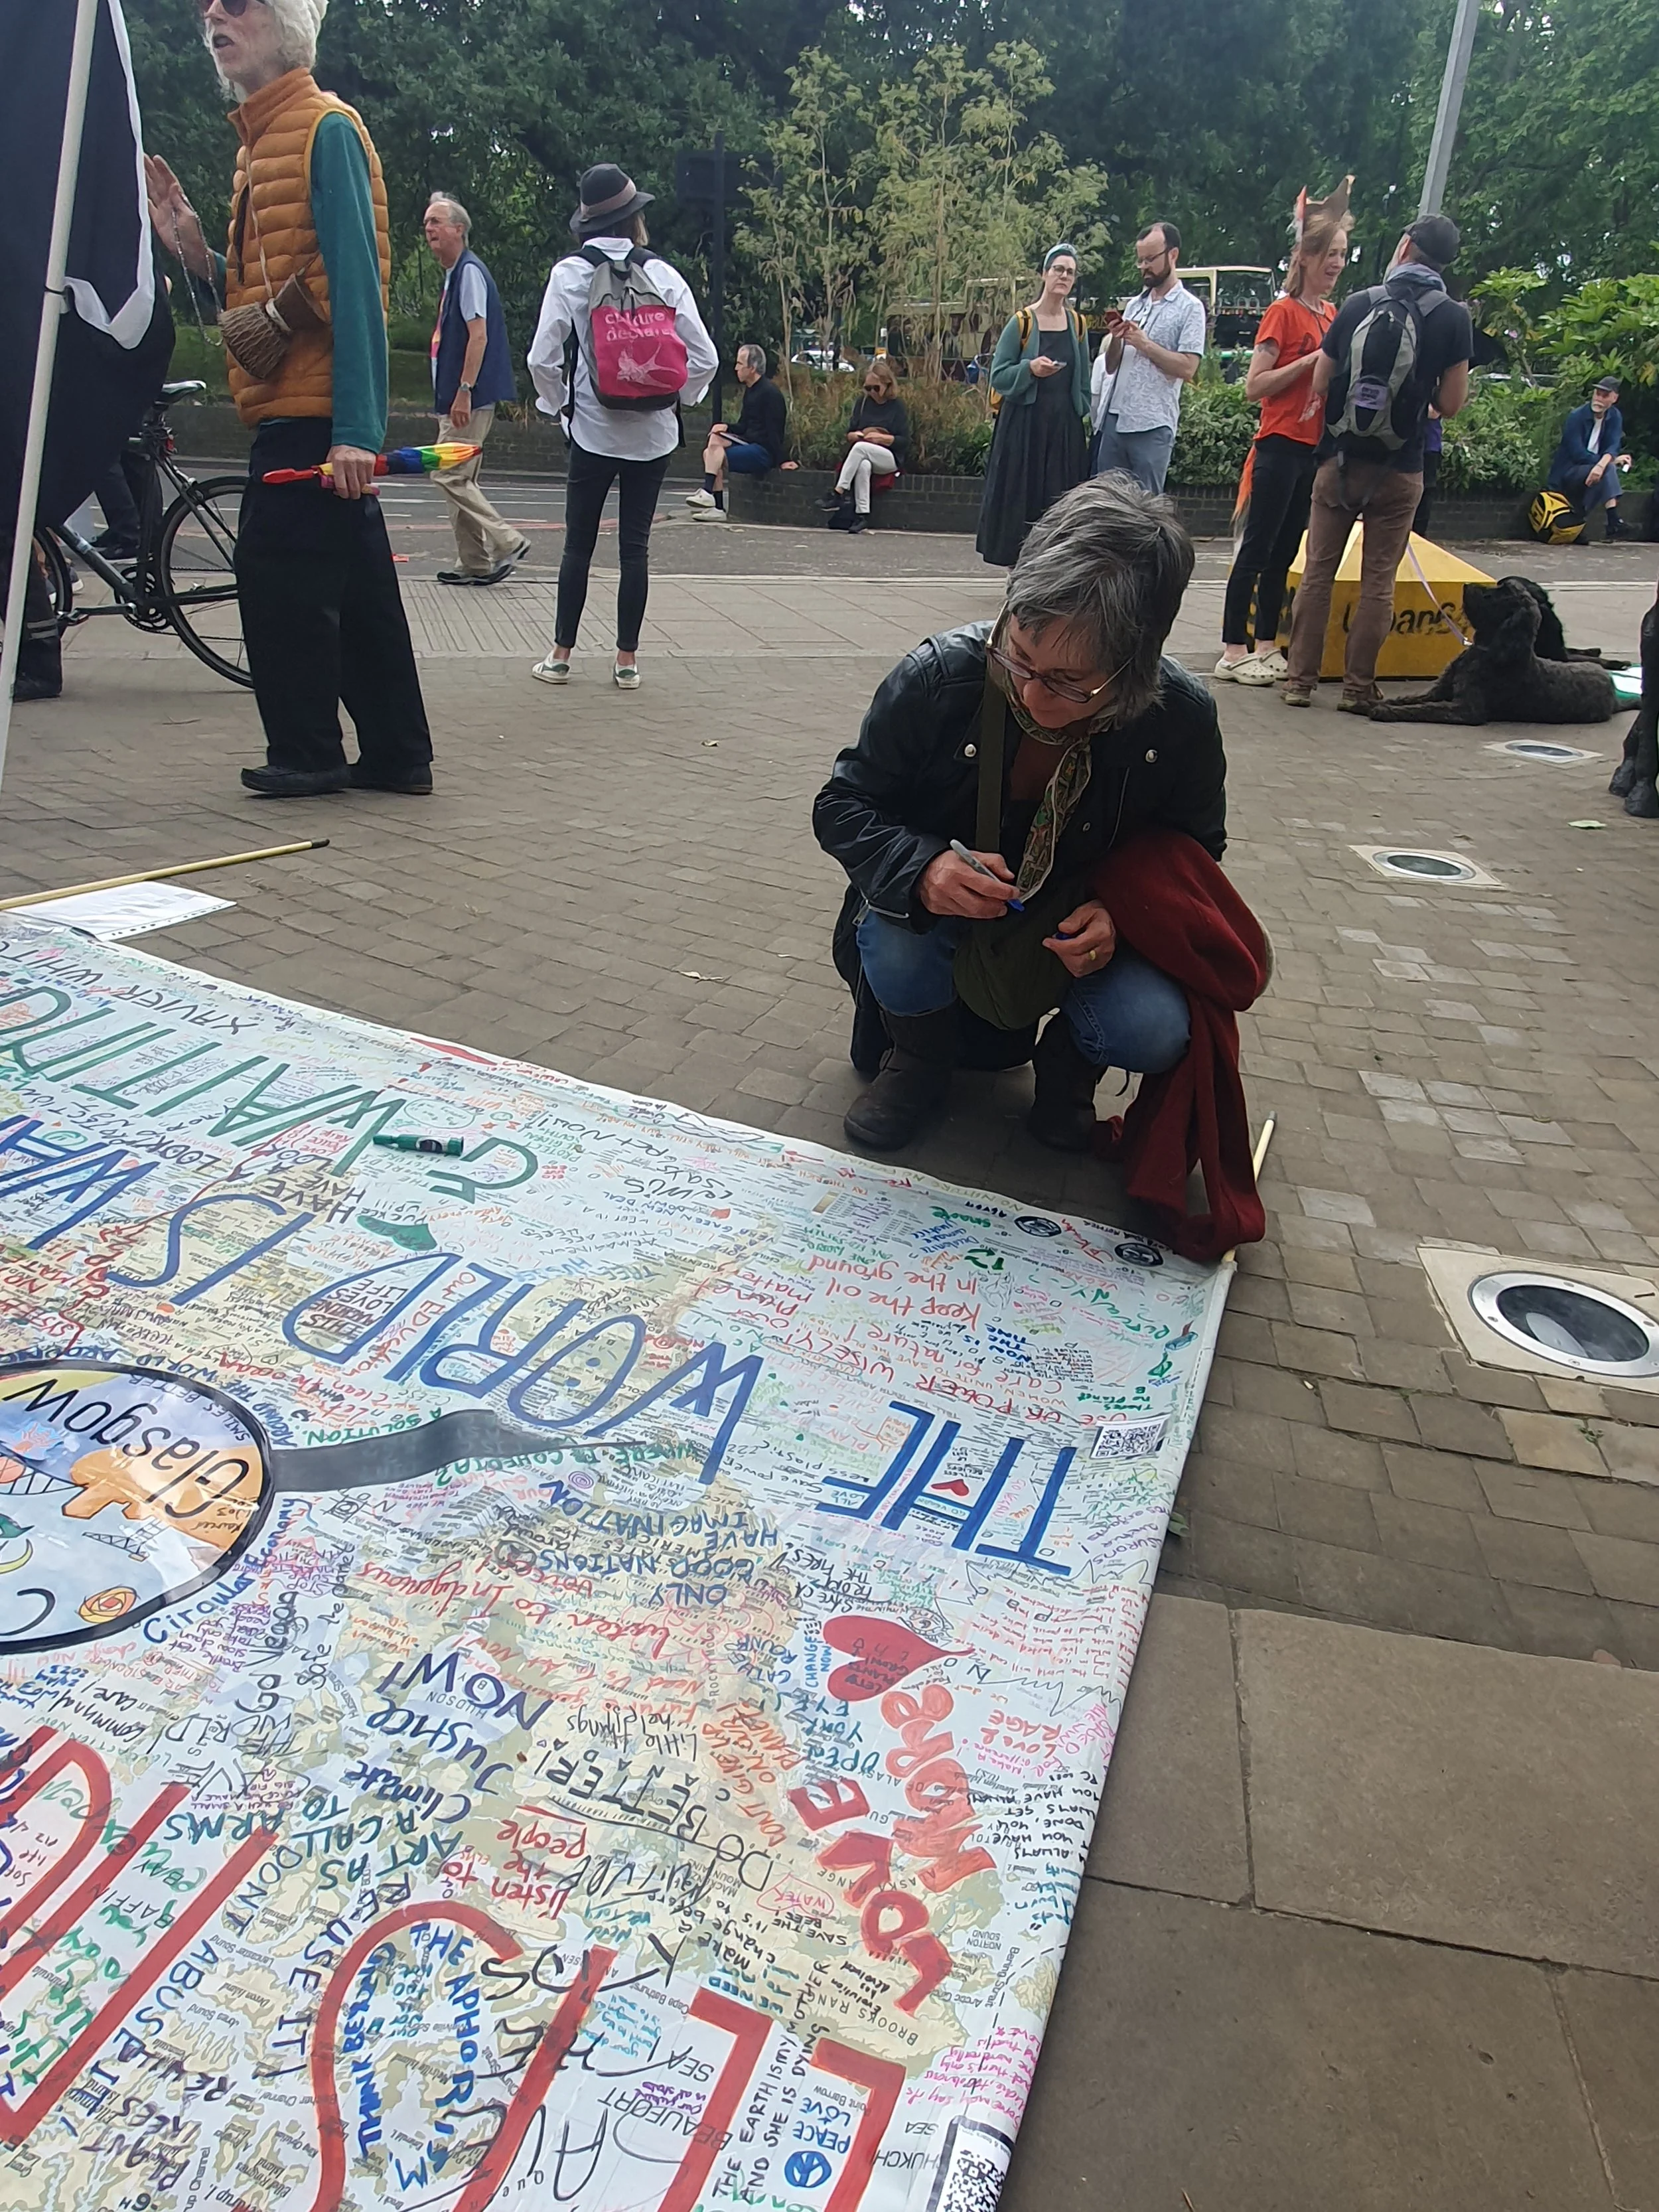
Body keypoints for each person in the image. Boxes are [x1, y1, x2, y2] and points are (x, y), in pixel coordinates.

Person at [814, 474, 1228, 1153]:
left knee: (1153, 1026)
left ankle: (1067, 1079)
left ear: (1134, 666)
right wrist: (922, 870)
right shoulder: (940, 677)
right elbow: (843, 804)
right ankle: (916, 1062)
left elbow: (1195, 850)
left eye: (1070, 683)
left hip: (1073, 939)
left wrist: (1125, 917)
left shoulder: (1178, 719)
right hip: (938, 928)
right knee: (892, 928)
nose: (1033, 696)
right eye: (1019, 656)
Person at [145, 0, 434, 798]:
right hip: (300, 408)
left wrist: (355, 431)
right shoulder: (265, 144)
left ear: (286, 23)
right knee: (356, 587)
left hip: (306, 418)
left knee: (281, 584)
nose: (213, 14)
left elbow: (355, 288)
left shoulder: (322, 128)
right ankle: (396, 752)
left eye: (237, 4)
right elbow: (267, 295)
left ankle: (308, 750)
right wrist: (198, 253)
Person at [526, 164, 717, 691]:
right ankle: (627, 660)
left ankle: (561, 655)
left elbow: (542, 358)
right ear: (635, 219)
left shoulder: (570, 274)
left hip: (592, 429)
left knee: (577, 547)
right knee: (635, 548)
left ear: (587, 224)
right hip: (654, 435)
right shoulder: (665, 275)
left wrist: (560, 406)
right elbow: (705, 357)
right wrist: (672, 398)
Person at [1283, 212, 1473, 713]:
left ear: (1406, 246)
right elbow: (1451, 403)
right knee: (1378, 582)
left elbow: (1322, 382)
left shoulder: (1359, 303)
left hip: (1339, 463)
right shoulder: (1453, 318)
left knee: (1319, 572)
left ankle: (1299, 681)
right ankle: (1357, 687)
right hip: (1401, 467)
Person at [1215, 210, 1350, 684]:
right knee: (1257, 547)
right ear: (1307, 257)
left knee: (1286, 552)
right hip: (1277, 444)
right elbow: (1256, 385)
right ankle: (1233, 647)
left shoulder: (1333, 315)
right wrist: (1311, 360)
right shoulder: (1283, 313)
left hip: (1310, 450)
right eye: (1331, 253)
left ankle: (1267, 641)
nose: (1338, 263)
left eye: (1343, 254)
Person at [423, 194, 530, 587]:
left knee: (448, 476)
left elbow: (478, 336)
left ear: (459, 229)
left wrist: (464, 390)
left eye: (437, 222)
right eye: (427, 224)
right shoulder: (457, 273)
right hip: (457, 397)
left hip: (468, 396)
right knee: (461, 479)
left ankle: (507, 540)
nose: (429, 229)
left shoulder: (469, 273)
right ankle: (475, 563)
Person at [975, 246, 1091, 567]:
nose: (1063, 276)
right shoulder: (1022, 322)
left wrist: (1080, 414)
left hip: (1062, 429)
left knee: (1059, 501)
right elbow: (998, 375)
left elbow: (1084, 378)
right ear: (1044, 274)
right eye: (1058, 269)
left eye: (1069, 272)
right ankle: (1018, 571)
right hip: (1025, 427)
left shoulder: (1077, 325)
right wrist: (1030, 369)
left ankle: (1051, 573)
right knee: (1021, 498)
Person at [1091, 222, 1205, 496]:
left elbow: (1188, 368)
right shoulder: (1135, 304)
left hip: (1151, 425)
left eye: (1150, 259)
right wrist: (1117, 338)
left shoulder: (1190, 308)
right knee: (1105, 507)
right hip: (1114, 421)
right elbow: (1110, 366)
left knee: (1146, 511)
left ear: (1173, 255)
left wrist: (1145, 345)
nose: (1143, 267)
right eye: (1140, 260)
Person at [687, 344, 792, 517]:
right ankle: (715, 506)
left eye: (740, 364)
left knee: (714, 455)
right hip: (749, 442)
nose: (736, 368)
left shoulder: (770, 393)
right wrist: (726, 427)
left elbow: (775, 432)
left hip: (763, 451)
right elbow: (744, 426)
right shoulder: (750, 391)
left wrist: (782, 460)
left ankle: (711, 497)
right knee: (712, 446)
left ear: (752, 368)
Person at [823, 359, 909, 534]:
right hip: (864, 451)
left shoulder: (896, 407)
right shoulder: (862, 403)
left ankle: (839, 492)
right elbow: (850, 432)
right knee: (863, 465)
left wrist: (882, 439)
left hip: (889, 457)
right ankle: (862, 515)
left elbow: (904, 440)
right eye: (868, 388)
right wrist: (855, 435)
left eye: (876, 388)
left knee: (861, 448)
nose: (872, 393)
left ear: (887, 385)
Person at [1549, 378, 1631, 539]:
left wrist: (1604, 463)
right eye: (1597, 394)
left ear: (1614, 398)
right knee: (1608, 468)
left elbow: (1613, 446)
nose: (1599, 399)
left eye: (1605, 396)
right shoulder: (1576, 417)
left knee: (1604, 472)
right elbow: (1577, 454)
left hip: (1593, 471)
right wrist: (1606, 463)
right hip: (1569, 471)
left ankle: (1582, 524)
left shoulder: (1615, 417)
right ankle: (1613, 519)